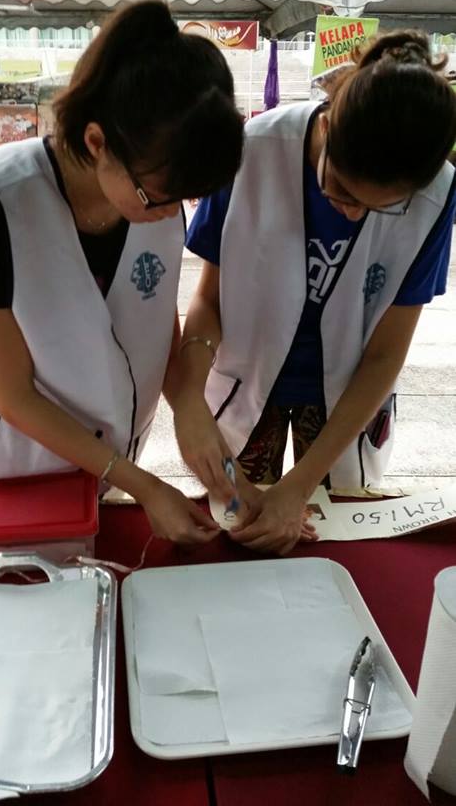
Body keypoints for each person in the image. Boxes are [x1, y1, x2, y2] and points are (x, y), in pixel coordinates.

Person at [0, 0, 244, 546]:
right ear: (97, 143)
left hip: (95, 471)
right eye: (159, 196)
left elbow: (151, 324)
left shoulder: (154, 197)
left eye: (184, 198)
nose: (171, 213)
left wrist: (189, 405)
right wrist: (144, 485)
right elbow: (13, 395)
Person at [175, 30, 456, 555]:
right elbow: (209, 300)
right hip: (245, 382)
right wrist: (187, 397)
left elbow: (385, 354)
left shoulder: (437, 195)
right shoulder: (252, 151)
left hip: (346, 399)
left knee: (326, 538)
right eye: (340, 190)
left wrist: (298, 486)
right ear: (326, 125)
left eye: (380, 207)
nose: (351, 212)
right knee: (236, 527)